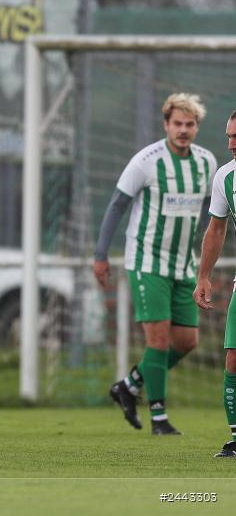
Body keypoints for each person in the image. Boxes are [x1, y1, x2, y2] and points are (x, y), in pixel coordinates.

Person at [94, 93, 216, 435]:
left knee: (187, 342)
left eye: (189, 124)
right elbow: (117, 205)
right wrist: (100, 254)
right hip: (147, 261)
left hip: (183, 264)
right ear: (166, 125)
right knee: (158, 341)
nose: (183, 130)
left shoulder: (206, 162)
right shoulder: (146, 160)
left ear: (196, 127)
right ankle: (159, 419)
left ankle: (128, 385)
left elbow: (215, 213)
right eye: (177, 123)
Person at [194, 110, 236, 458]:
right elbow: (216, 229)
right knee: (234, 358)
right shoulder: (225, 177)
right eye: (228, 136)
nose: (231, 143)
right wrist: (204, 275)